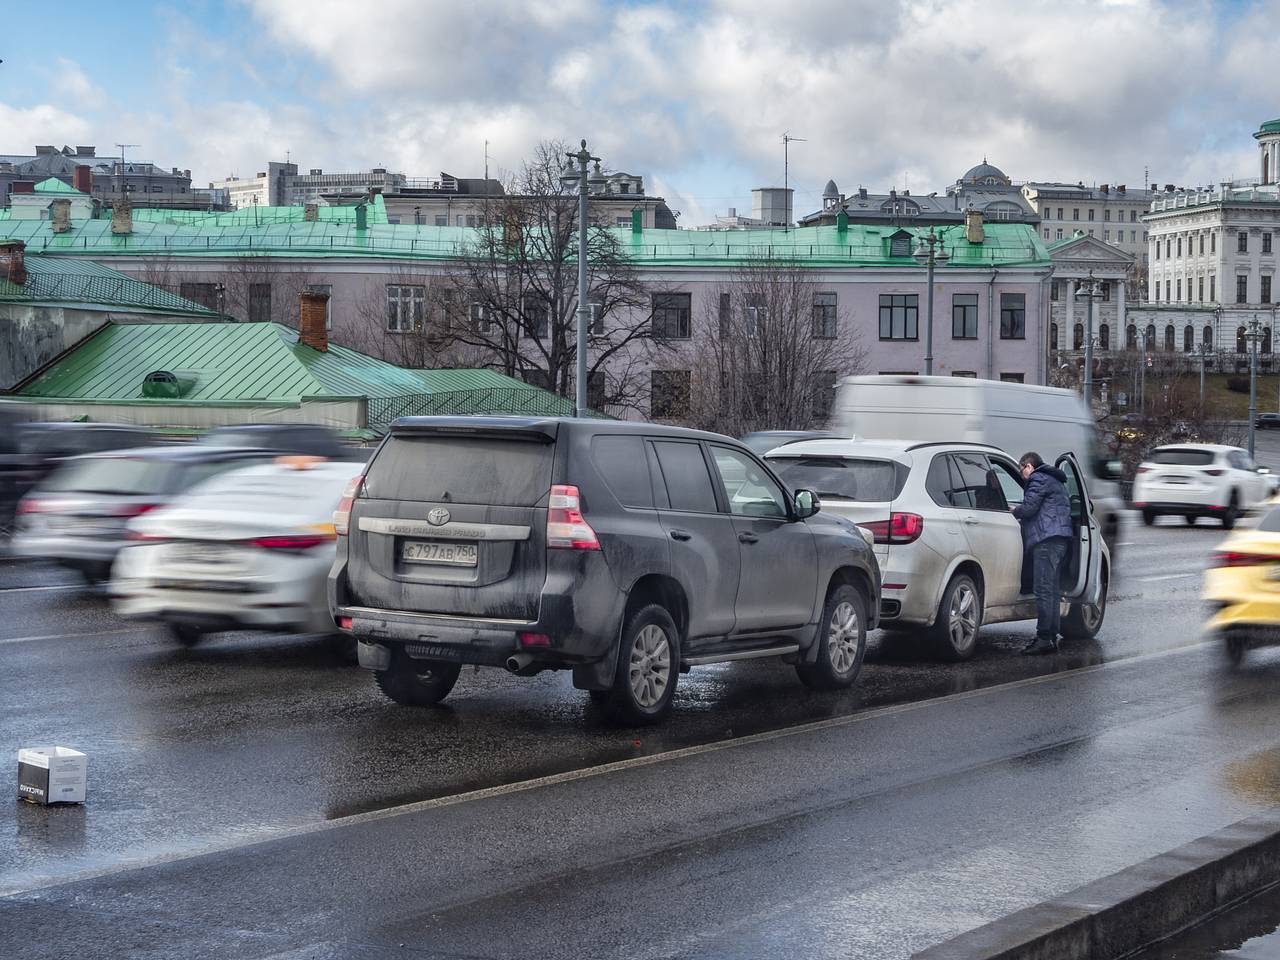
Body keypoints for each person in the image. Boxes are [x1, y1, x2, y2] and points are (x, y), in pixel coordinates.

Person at [1011, 452, 1074, 655]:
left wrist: (1014, 510)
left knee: (1043, 590)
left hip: (1046, 541)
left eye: (1021, 470)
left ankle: (1044, 638)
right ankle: (1051, 636)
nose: (1022, 475)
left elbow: (1029, 508)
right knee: (1052, 590)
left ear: (1029, 466)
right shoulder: (1055, 480)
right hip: (1059, 540)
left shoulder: (1038, 478)